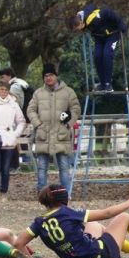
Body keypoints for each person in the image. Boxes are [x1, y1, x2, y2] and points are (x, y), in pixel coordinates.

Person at [14, 184, 129, 258]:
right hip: (100, 256)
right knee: (125, 218)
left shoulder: (39, 222)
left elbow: (19, 243)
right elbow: (106, 213)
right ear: (64, 200)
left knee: (92, 224)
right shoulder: (67, 213)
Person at [27, 64, 81, 192]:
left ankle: (65, 194)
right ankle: (42, 194)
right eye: (45, 76)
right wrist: (38, 124)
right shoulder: (38, 93)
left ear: (56, 76)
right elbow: (30, 110)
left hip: (61, 135)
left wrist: (68, 123)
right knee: (41, 168)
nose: (48, 78)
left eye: (50, 75)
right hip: (43, 135)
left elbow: (76, 109)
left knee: (64, 167)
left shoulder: (68, 92)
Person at [70, 3, 128, 92]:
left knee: (107, 54)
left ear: (81, 23)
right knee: (97, 56)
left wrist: (122, 26)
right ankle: (103, 83)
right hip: (99, 37)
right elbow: (91, 5)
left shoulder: (94, 18)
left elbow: (108, 12)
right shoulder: (81, 16)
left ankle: (108, 84)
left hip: (112, 35)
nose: (78, 31)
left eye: (77, 29)